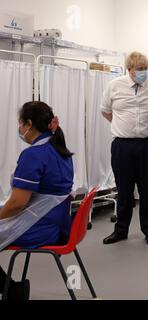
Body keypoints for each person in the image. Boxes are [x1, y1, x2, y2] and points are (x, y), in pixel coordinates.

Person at [0, 101, 74, 300]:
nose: (19, 128)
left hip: (40, 226)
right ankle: (12, 290)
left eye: (20, 123)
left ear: (29, 124)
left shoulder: (33, 155)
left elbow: (17, 204)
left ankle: (13, 291)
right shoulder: (60, 150)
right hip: (57, 222)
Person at [101, 51, 148, 246]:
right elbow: (105, 111)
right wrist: (124, 126)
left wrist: (143, 128)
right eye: (139, 69)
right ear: (129, 69)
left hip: (147, 145)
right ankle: (120, 231)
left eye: (145, 68)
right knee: (124, 190)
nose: (143, 72)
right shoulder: (114, 86)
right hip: (122, 146)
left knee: (147, 189)